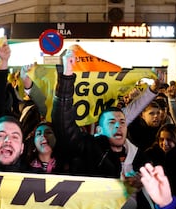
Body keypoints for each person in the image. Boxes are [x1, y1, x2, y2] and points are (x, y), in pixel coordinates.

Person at [51, 49, 150, 208]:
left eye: (122, 122)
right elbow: (64, 123)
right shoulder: (87, 149)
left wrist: (145, 182)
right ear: (99, 130)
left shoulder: (141, 158)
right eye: (111, 122)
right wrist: (67, 76)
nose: (118, 125)